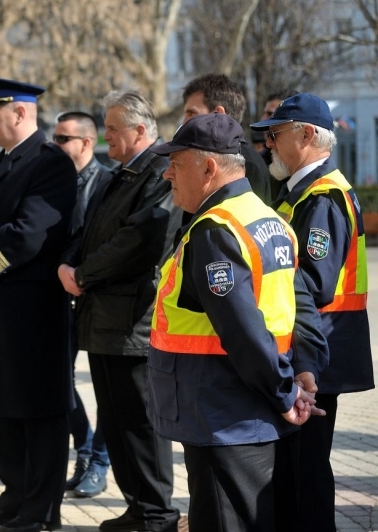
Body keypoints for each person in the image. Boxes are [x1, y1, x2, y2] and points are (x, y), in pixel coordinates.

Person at [147, 112, 323, 530]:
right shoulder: (267, 218)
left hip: (222, 412)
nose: (168, 173)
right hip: (248, 409)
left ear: (208, 167)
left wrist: (286, 393)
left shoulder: (215, 230)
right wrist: (303, 371)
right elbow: (299, 305)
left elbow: (243, 331)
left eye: (176, 162)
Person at [0, 75, 76, 532]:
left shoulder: (49, 163)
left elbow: (28, 233)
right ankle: (15, 494)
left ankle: (41, 510)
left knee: (37, 410)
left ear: (21, 113)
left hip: (30, 310)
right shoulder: (0, 161)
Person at [58, 90, 182, 532]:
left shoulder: (162, 171)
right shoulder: (121, 173)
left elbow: (141, 240)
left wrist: (84, 274)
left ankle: (158, 513)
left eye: (112, 128)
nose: (105, 134)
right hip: (104, 318)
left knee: (141, 423)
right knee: (115, 418)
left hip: (135, 320)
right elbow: (90, 230)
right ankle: (137, 506)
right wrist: (71, 265)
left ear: (140, 130)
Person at [251, 93, 374, 531]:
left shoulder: (322, 198)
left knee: (306, 474)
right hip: (311, 351)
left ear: (306, 135)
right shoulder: (304, 193)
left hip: (316, 357)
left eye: (275, 134)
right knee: (295, 473)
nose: (268, 144)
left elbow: (314, 284)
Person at [52, 111, 112, 499]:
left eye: (62, 139)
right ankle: (84, 448)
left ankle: (100, 461)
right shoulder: (54, 181)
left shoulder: (108, 182)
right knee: (60, 380)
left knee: (108, 387)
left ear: (86, 142)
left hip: (96, 296)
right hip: (59, 296)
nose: (54, 145)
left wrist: (81, 274)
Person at [182, 73, 272, 204]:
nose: (184, 122)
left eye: (192, 113)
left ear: (218, 114)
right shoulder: (209, 155)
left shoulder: (247, 164)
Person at [257, 89, 300, 200]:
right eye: (265, 113)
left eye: (271, 114)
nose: (263, 120)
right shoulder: (259, 162)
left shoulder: (309, 170)